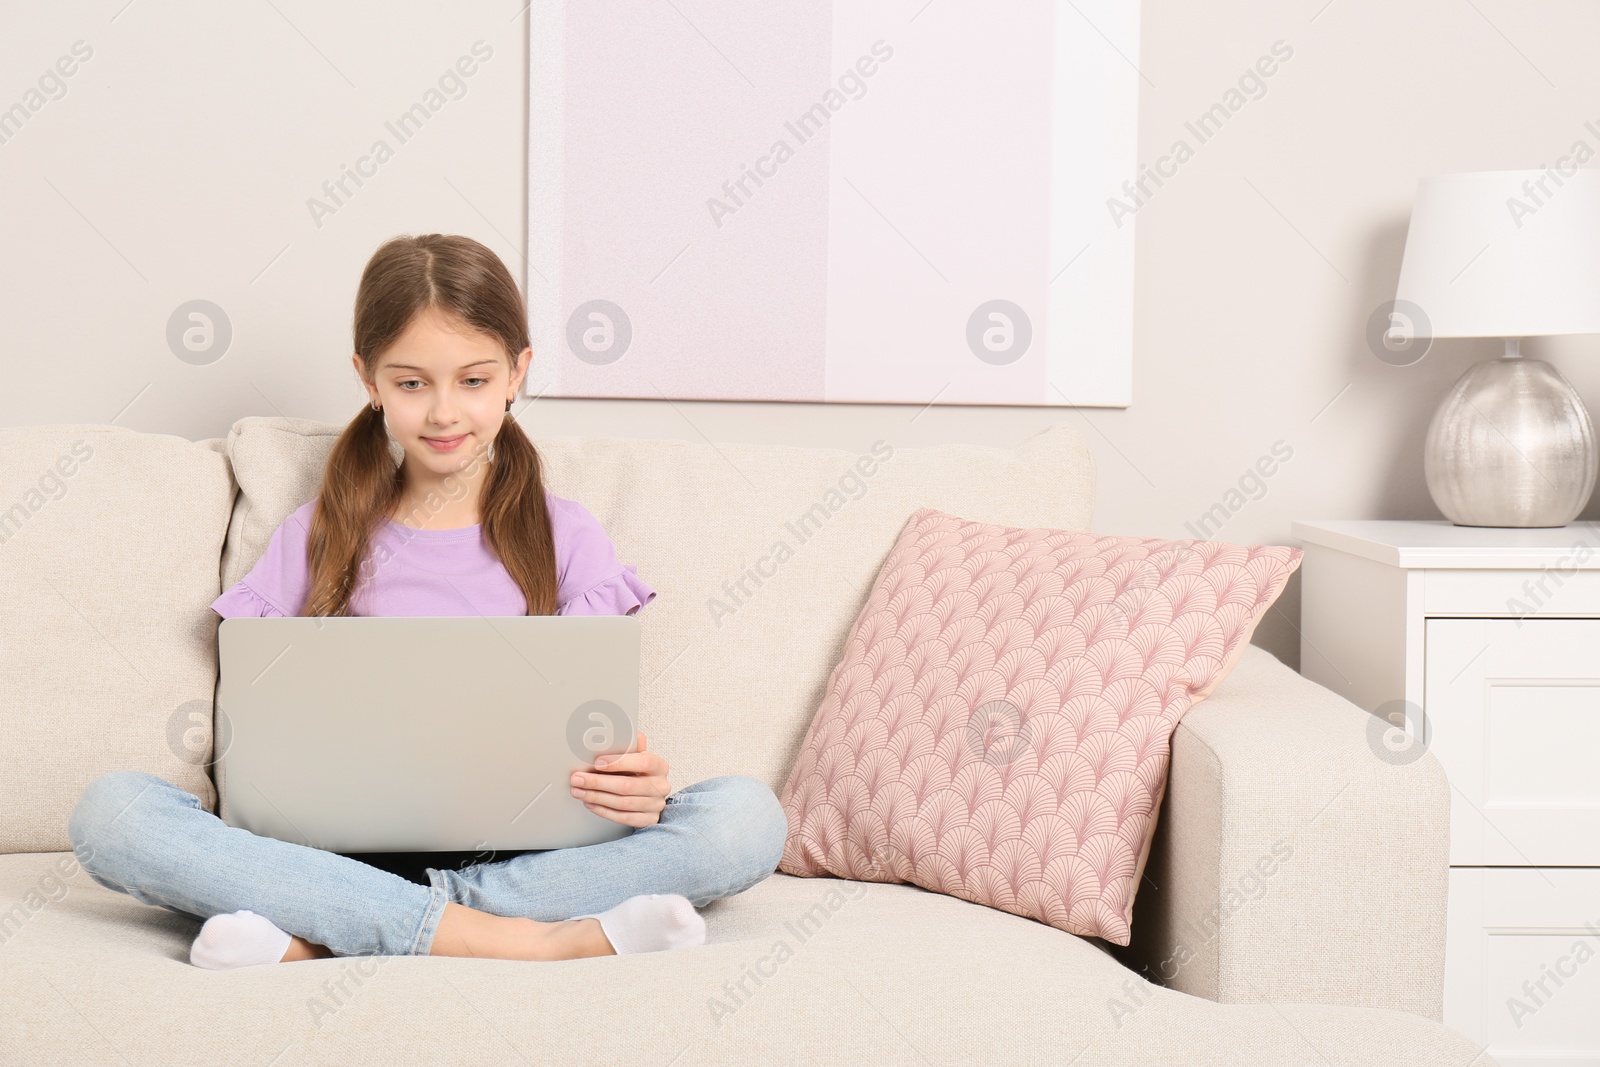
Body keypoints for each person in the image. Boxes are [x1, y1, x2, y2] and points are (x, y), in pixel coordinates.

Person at [66, 234, 789, 968]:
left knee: (745, 819)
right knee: (112, 812)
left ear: (517, 373)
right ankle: (520, 936)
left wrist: (636, 782)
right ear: (369, 380)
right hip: (335, 848)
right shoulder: (316, 534)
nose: (445, 412)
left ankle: (329, 929)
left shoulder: (566, 536)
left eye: (473, 380)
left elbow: (595, 733)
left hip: (520, 851)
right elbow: (253, 737)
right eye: (412, 384)